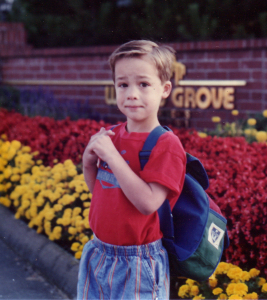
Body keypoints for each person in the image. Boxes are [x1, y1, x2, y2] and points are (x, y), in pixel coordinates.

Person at [77, 40, 187, 300]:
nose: (132, 93)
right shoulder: (112, 135)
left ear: (165, 89)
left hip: (139, 262)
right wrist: (88, 162)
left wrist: (112, 157)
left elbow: (148, 203)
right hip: (98, 252)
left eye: (144, 84)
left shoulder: (166, 144)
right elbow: (101, 190)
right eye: (123, 84)